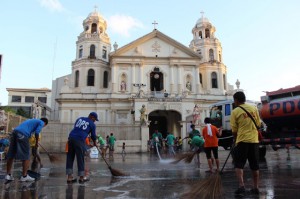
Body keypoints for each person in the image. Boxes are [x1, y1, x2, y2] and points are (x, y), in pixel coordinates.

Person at [230, 91, 260, 196]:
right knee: (255, 165)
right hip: (254, 141)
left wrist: (235, 140)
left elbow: (234, 130)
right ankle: (256, 187)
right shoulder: (254, 109)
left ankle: (242, 186)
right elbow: (259, 124)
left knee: (239, 165)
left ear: (236, 100)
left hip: (242, 140)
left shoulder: (235, 111)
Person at [5, 118, 48, 182]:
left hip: (15, 132)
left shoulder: (31, 121)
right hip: (22, 134)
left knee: (11, 154)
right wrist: (36, 143)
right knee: (27, 155)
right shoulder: (41, 122)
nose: (43, 126)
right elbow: (37, 132)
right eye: (44, 126)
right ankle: (24, 176)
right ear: (45, 123)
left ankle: (8, 175)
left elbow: (29, 132)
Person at [66, 112, 98, 184]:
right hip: (79, 140)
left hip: (71, 138)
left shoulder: (79, 119)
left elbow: (77, 128)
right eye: (95, 119)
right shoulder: (92, 124)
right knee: (80, 158)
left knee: (70, 157)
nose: (95, 121)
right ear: (92, 117)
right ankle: (81, 177)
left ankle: (69, 177)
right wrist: (95, 143)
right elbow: (93, 135)